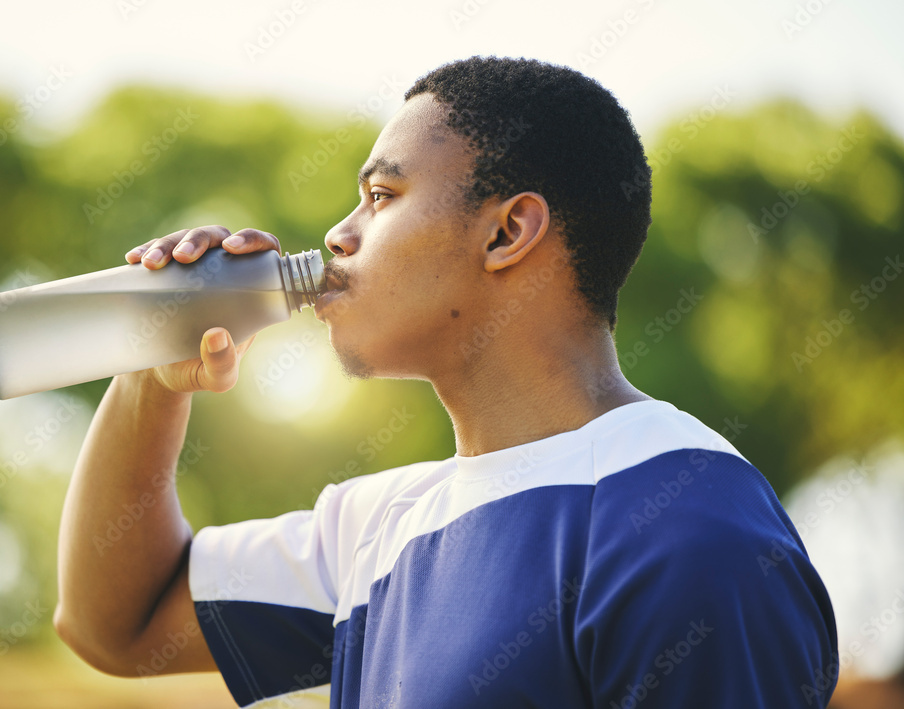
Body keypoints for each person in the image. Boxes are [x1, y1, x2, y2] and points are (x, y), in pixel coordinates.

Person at [54, 56, 838, 707]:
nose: (337, 233)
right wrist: (153, 380)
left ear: (506, 232)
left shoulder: (687, 527)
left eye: (380, 196)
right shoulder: (375, 528)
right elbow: (116, 623)